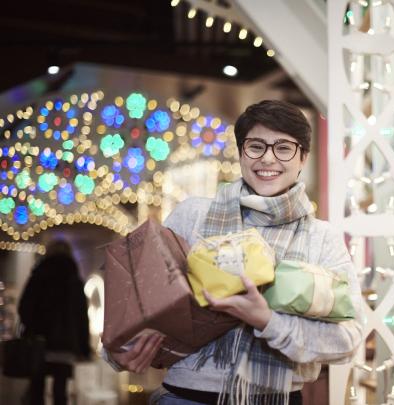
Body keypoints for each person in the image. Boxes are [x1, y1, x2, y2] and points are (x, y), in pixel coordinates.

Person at [104, 100, 363, 404]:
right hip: (185, 398)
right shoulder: (193, 216)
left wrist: (268, 321)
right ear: (241, 152)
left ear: (303, 157)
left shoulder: (321, 237)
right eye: (256, 146)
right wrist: (119, 351)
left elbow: (349, 338)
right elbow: (138, 301)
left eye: (283, 148)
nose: (268, 158)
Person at [18, 239, 91, 405]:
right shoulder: (75, 281)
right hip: (65, 346)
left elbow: (24, 307)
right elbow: (81, 317)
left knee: (36, 390)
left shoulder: (38, 276)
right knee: (60, 391)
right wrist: (84, 348)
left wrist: (31, 327)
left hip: (39, 343)